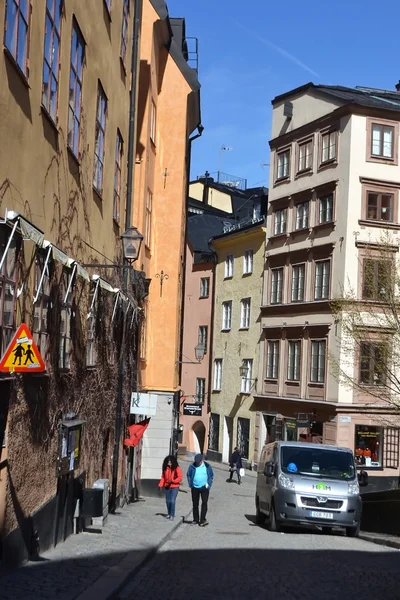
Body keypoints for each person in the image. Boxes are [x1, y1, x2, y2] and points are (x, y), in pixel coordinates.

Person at [187, 453, 214, 527]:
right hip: (195, 487)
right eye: (196, 461)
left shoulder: (207, 466)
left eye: (198, 462)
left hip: (204, 487)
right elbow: (188, 474)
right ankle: (195, 519)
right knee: (195, 504)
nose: (197, 463)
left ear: (201, 460)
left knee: (204, 503)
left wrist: (208, 485)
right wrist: (190, 484)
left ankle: (202, 520)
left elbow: (211, 476)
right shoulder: (192, 466)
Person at [158, 455, 183, 520]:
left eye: (170, 462)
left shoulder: (177, 468)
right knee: (168, 501)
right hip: (167, 486)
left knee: (172, 501)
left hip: (175, 487)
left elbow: (180, 477)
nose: (169, 463)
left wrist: (173, 481)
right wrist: (160, 485)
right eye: (168, 462)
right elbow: (163, 477)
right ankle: (169, 513)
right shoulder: (165, 468)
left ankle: (172, 515)